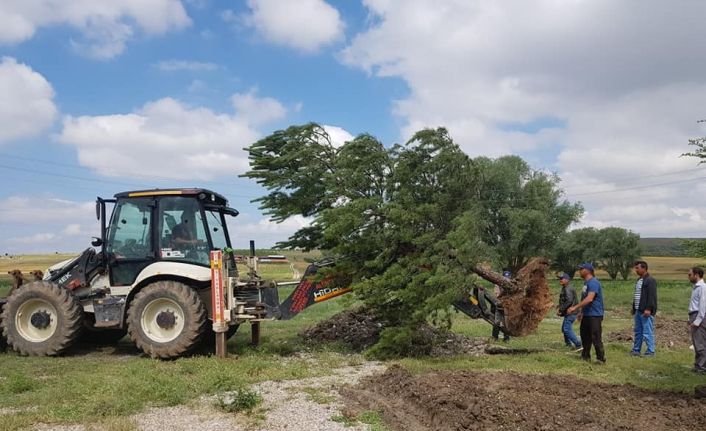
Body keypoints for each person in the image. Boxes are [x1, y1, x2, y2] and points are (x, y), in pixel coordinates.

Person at [567, 263, 605, 363]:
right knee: (585, 336)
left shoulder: (593, 282)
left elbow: (589, 299)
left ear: (588, 270)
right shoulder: (586, 283)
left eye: (581, 269)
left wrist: (575, 307)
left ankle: (600, 359)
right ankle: (585, 356)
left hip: (595, 315)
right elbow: (584, 298)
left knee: (595, 337)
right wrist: (581, 312)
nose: (580, 271)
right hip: (587, 314)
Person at [631, 260, 657, 357]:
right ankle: (636, 350)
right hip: (638, 310)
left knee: (647, 331)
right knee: (638, 331)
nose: (636, 270)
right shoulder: (639, 280)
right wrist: (634, 308)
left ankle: (650, 351)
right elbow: (637, 295)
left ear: (644, 268)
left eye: (637, 268)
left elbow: (651, 296)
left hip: (645, 310)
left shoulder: (650, 280)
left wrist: (648, 309)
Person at [688, 267, 706, 374]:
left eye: (690, 275)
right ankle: (698, 365)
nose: (688, 277)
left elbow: (702, 306)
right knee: (696, 342)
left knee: (700, 343)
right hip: (693, 315)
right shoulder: (695, 287)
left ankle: (702, 368)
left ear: (696, 275)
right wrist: (689, 319)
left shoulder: (703, 287)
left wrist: (697, 321)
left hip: (699, 317)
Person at [557, 273, 581, 349]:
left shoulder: (568, 288)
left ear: (567, 280)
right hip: (570, 312)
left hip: (571, 312)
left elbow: (569, 301)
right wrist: (559, 306)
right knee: (564, 328)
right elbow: (566, 300)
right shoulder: (565, 287)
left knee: (566, 329)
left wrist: (561, 310)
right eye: (560, 279)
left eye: (562, 279)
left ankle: (578, 345)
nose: (560, 280)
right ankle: (568, 344)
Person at [491, 270, 511, 342]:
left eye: (508, 278)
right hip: (499, 306)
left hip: (508, 307)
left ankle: (506, 338)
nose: (506, 280)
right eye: (505, 278)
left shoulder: (512, 286)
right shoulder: (498, 285)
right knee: (497, 322)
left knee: (507, 323)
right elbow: (497, 295)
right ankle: (494, 337)